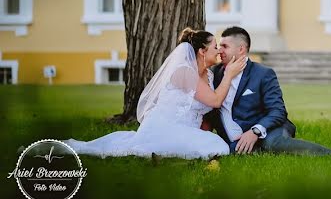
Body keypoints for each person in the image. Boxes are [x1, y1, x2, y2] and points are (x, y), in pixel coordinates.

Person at [64, 28, 247, 159]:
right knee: (217, 146)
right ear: (201, 51)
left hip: (186, 129)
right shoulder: (184, 72)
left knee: (215, 145)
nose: (218, 51)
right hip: (166, 128)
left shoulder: (208, 74)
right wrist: (230, 74)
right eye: (215, 47)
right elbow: (215, 101)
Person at [205, 26, 331, 158]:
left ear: (241, 49)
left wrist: (255, 131)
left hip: (268, 128)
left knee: (273, 143)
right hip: (235, 138)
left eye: (225, 46)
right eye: (219, 46)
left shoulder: (263, 74)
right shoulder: (214, 74)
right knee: (229, 151)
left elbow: (278, 111)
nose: (219, 50)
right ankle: (256, 150)